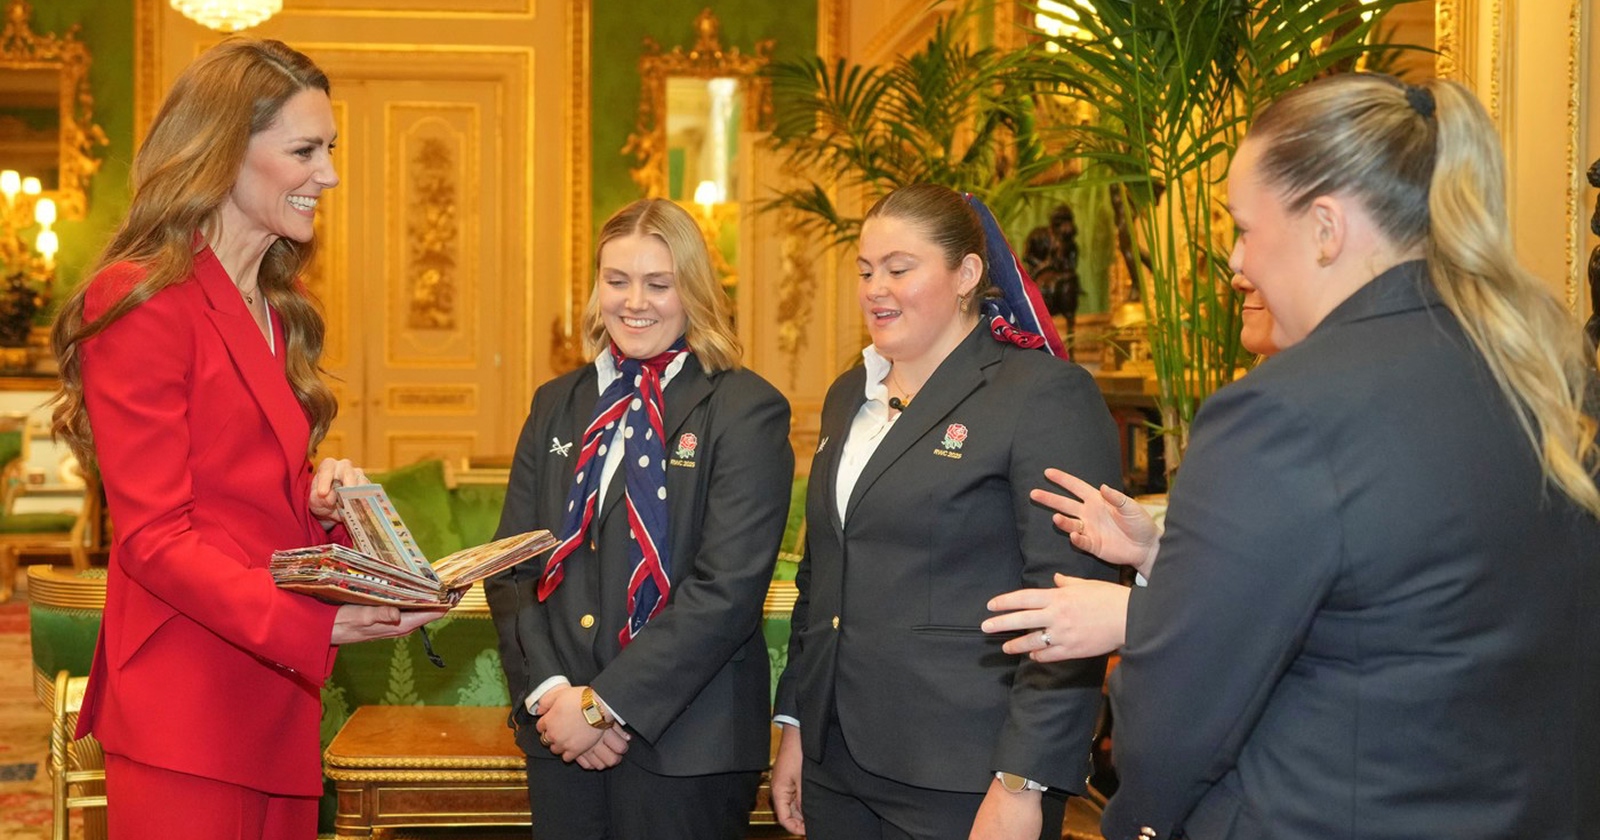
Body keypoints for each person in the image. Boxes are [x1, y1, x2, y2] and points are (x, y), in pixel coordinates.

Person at [1029, 74, 1600, 840]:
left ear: (1325, 228)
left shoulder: (1283, 411)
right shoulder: (1549, 371)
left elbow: (1174, 719)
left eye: (1244, 229)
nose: (1237, 262)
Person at [48, 38, 442, 839]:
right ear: (225, 151)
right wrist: (315, 624)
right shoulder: (141, 298)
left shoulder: (275, 304)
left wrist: (320, 504)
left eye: (330, 149)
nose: (328, 175)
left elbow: (243, 492)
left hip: (274, 699)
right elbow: (156, 539)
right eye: (304, 150)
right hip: (187, 705)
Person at [770, 182, 1123, 840]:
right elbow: (821, 576)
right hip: (834, 762)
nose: (876, 289)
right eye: (866, 271)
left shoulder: (1042, 395)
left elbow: (1070, 606)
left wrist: (1023, 781)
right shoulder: (849, 394)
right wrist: (795, 723)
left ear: (966, 275)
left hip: (966, 774)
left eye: (899, 269)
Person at [485, 197, 793, 840]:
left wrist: (604, 706)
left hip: (688, 749)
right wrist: (553, 696)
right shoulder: (555, 403)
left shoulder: (745, 409)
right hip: (560, 739)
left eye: (659, 283)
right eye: (617, 280)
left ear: (695, 290)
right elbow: (511, 566)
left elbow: (726, 591)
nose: (634, 302)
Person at [982, 271, 1279, 661]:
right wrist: (1151, 553)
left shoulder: (1312, 420)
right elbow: (1237, 583)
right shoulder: (1262, 404)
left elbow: (1290, 611)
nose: (1239, 274)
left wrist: (1132, 615)